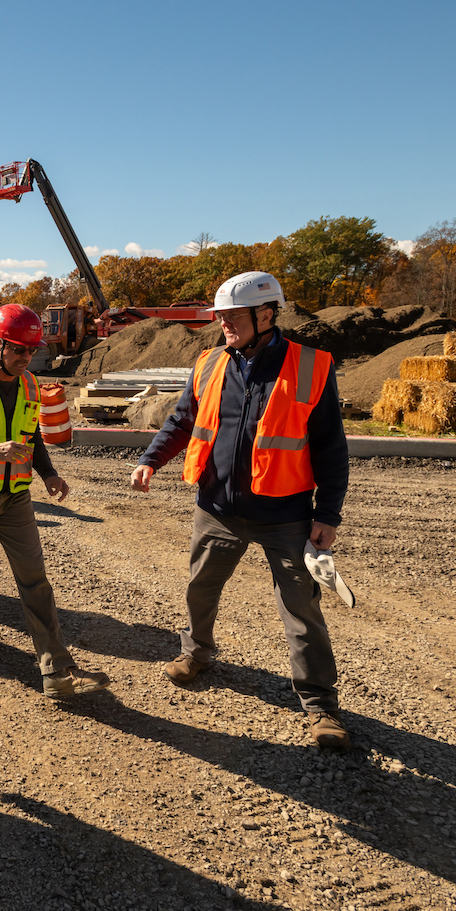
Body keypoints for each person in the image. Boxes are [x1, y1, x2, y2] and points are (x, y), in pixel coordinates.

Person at [129, 271, 351, 749]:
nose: (224, 324)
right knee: (200, 588)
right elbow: (182, 419)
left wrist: (327, 515)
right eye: (221, 317)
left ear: (266, 314)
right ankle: (197, 653)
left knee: (301, 610)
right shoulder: (210, 363)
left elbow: (332, 447)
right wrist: (151, 459)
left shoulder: (310, 367)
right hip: (217, 508)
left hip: (286, 515)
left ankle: (320, 707)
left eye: (233, 317)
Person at [0, 303, 110, 699]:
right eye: (18, 349)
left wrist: (48, 474)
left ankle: (56, 669)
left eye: (31, 351)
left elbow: (31, 438)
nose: (26, 357)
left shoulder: (31, 384)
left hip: (14, 498)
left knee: (35, 579)